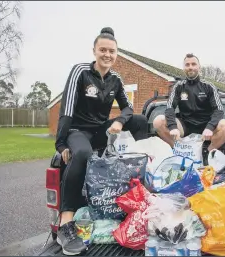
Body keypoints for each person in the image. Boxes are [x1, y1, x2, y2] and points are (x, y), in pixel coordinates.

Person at [54, 27, 148, 255]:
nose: (107, 54)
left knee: (140, 120)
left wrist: (120, 121)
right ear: (94, 51)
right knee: (84, 154)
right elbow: (66, 108)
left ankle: (144, 189)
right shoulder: (80, 72)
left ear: (116, 54)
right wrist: (61, 144)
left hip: (99, 130)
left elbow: (126, 107)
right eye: (103, 50)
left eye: (112, 51)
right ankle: (65, 225)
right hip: (77, 130)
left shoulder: (116, 79)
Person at [153, 53, 225, 154]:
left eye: (193, 64)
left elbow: (219, 110)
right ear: (184, 68)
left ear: (199, 67)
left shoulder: (209, 86)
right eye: (187, 65)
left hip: (206, 127)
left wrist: (210, 127)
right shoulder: (178, 86)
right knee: (158, 121)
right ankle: (179, 150)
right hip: (184, 126)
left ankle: (206, 153)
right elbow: (169, 108)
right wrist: (173, 127)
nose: (190, 67)